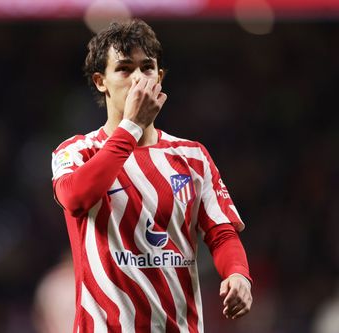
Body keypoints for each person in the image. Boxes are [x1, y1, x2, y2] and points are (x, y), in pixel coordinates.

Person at [51, 19, 252, 332]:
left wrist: (238, 273)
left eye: (147, 68)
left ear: (159, 77)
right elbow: (76, 198)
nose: (138, 79)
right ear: (100, 81)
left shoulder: (192, 157)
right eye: (124, 68)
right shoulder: (77, 151)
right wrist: (131, 127)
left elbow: (221, 232)